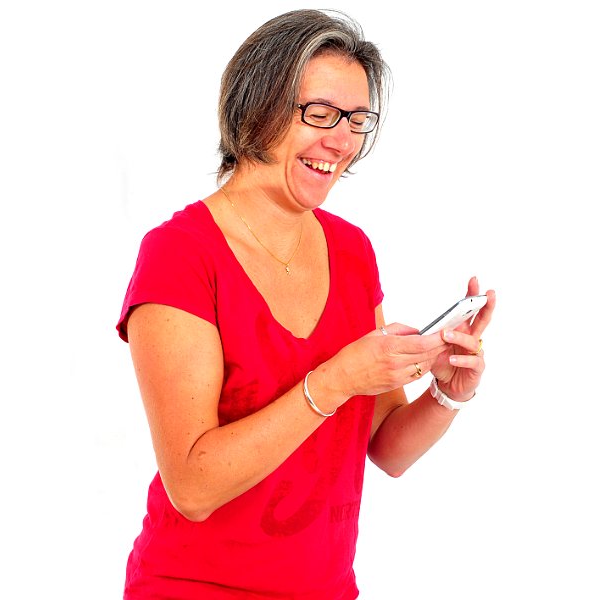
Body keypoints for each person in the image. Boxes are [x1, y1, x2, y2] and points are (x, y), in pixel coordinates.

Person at [115, 8, 496, 599]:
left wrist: (447, 391)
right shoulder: (180, 255)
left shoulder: (351, 251)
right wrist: (337, 380)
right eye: (318, 113)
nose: (340, 141)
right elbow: (191, 486)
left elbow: (386, 448)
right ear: (257, 105)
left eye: (356, 120)